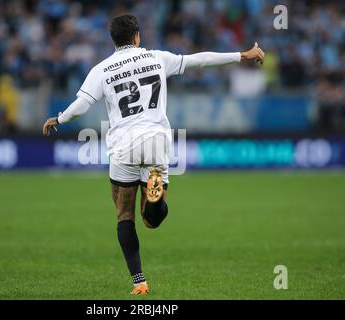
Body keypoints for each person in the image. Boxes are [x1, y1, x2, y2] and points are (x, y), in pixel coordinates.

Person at [42, 14, 265, 295]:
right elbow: (199, 60)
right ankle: (154, 191)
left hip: (123, 145)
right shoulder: (157, 58)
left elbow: (80, 107)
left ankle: (139, 282)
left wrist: (58, 120)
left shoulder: (101, 69)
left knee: (124, 215)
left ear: (114, 39)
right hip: (157, 141)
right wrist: (242, 55)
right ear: (136, 36)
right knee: (152, 220)